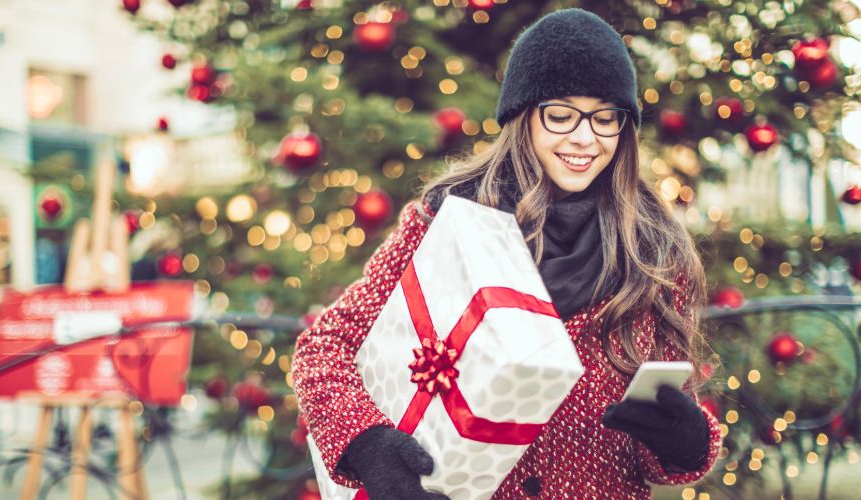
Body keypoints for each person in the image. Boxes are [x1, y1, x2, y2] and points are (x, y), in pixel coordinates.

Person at [292, 8, 721, 499]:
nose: (585, 138)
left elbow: (663, 459)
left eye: (606, 118)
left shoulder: (654, 252)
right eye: (561, 115)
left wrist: (685, 441)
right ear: (523, 117)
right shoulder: (449, 220)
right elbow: (323, 347)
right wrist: (369, 446)